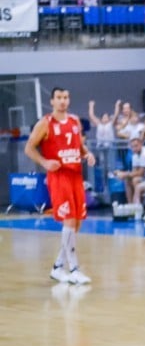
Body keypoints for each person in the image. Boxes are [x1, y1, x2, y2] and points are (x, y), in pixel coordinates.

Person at [23, 87, 96, 285]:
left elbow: (79, 147)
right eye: (59, 98)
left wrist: (87, 154)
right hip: (59, 176)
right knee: (69, 220)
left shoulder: (74, 121)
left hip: (75, 175)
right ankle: (74, 269)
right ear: (52, 101)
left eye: (65, 97)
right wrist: (45, 163)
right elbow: (29, 147)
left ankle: (57, 267)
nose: (63, 101)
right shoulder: (45, 123)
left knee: (77, 222)